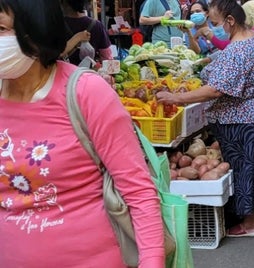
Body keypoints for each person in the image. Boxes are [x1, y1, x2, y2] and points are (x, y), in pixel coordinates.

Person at [0, 0, 165, 267]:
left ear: (36, 31)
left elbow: (139, 192)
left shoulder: (86, 92)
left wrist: (152, 261)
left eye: (1, 28)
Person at [156, 0, 254, 238]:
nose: (215, 28)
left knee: (244, 169)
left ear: (230, 21)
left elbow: (215, 90)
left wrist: (176, 98)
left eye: (216, 23)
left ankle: (250, 224)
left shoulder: (237, 50)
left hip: (241, 120)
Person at [60, 0, 113, 65]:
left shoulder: (56, 26)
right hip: (89, 73)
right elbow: (107, 57)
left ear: (64, 3)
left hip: (63, 73)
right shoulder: (97, 25)